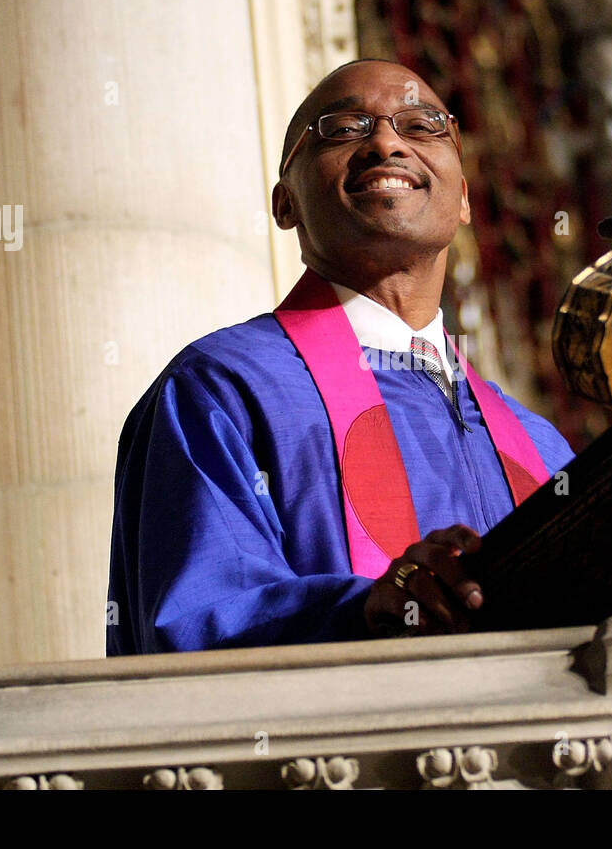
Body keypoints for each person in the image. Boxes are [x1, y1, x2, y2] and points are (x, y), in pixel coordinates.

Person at [107, 59, 574, 655]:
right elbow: (196, 627)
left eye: (422, 125)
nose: (385, 142)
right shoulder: (222, 389)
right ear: (285, 204)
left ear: (463, 198)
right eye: (343, 128)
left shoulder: (541, 447)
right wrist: (365, 614)